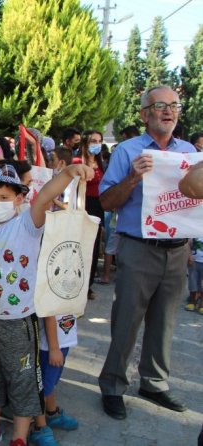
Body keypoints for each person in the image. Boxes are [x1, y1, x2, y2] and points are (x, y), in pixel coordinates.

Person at [0, 162, 94, 446]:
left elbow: (46, 196)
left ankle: (19, 437)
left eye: (4, 197)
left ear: (20, 198)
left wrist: (68, 173)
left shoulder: (28, 224)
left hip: (18, 320)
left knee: (23, 377)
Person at [98, 85, 194, 420]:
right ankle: (113, 386)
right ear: (144, 114)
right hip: (139, 248)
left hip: (178, 250)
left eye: (174, 105)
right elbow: (106, 202)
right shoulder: (127, 151)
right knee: (126, 320)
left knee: (165, 322)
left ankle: (154, 383)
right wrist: (132, 179)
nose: (168, 111)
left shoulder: (189, 153)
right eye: (160, 105)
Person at [29, 313, 79, 446]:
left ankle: (51, 413)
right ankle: (39, 427)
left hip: (62, 340)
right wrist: (54, 348)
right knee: (42, 387)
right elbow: (49, 314)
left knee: (49, 382)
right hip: (50, 345)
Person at [80, 130, 106, 299]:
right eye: (93, 141)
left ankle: (88, 285)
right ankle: (79, 284)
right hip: (84, 205)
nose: (97, 144)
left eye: (99, 141)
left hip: (98, 205)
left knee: (94, 246)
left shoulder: (101, 162)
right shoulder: (78, 161)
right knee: (82, 246)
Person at [185, 238, 203, 314]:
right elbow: (187, 244)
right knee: (192, 282)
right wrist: (189, 256)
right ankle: (192, 302)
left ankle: (202, 305)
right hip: (193, 262)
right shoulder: (194, 232)